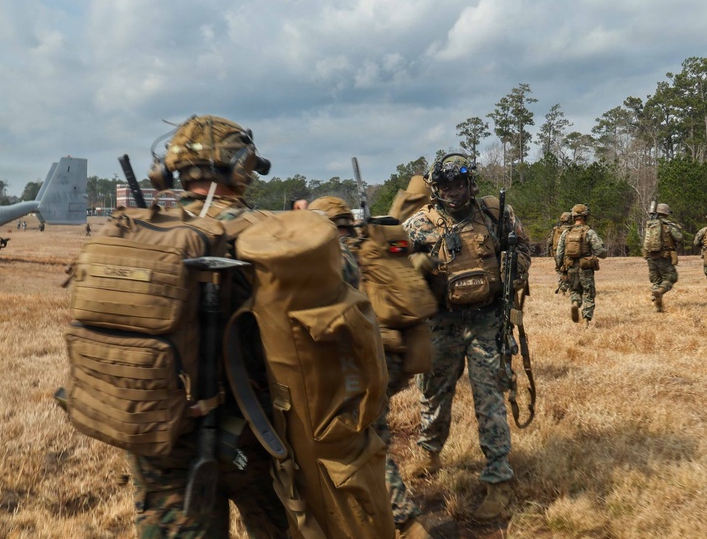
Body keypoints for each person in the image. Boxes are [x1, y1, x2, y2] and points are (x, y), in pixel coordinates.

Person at [128, 115, 291, 539]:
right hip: (254, 439)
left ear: (172, 170)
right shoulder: (271, 236)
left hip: (160, 437)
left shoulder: (136, 235)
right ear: (242, 167)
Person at [402, 153, 531, 521]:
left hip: (487, 319)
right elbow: (396, 272)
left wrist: (512, 273)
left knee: (489, 395)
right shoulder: (418, 226)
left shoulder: (494, 213)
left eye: (460, 184)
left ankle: (498, 480)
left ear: (470, 183)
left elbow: (522, 248)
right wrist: (415, 270)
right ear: (435, 188)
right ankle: (430, 452)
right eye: (446, 186)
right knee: (433, 390)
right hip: (442, 322)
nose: (454, 192)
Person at [307, 196, 431, 538]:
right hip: (391, 357)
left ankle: (405, 522)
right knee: (377, 435)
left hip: (360, 364)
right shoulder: (372, 247)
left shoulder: (334, 256)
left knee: (366, 443)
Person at [555, 204, 607, 329]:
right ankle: (586, 321)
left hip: (571, 267)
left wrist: (560, 267)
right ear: (586, 216)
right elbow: (600, 251)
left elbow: (559, 252)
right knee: (588, 293)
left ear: (573, 217)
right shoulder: (589, 232)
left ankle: (575, 303)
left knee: (575, 290)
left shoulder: (566, 233)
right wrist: (603, 252)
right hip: (586, 268)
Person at [644, 203, 684, 312]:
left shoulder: (650, 224)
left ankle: (658, 306)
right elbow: (679, 238)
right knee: (671, 277)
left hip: (650, 256)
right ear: (666, 213)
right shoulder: (668, 225)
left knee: (656, 280)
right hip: (664, 256)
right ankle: (659, 292)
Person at [548, 211, 573, 295]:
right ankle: (567, 288)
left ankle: (562, 287)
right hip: (569, 255)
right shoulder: (572, 229)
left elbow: (549, 242)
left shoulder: (556, 229)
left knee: (561, 272)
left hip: (557, 254)